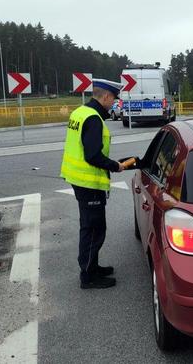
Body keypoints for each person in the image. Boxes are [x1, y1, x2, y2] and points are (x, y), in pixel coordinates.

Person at [60, 79, 134, 289]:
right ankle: (89, 276)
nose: (114, 104)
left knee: (90, 227)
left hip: (78, 179)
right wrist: (115, 166)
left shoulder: (80, 112)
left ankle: (92, 266)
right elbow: (92, 155)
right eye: (113, 100)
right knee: (94, 229)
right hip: (88, 182)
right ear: (105, 97)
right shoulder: (93, 119)